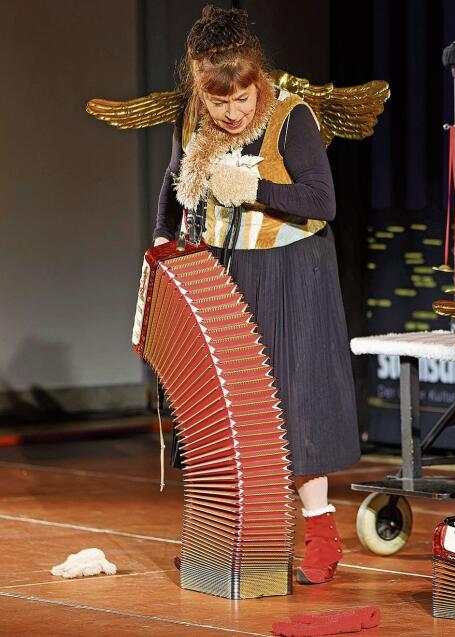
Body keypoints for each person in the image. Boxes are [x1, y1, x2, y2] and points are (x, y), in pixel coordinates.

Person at [153, 5, 360, 585]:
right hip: (224, 268)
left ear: (257, 80)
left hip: (293, 269)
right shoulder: (194, 117)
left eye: (241, 100)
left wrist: (257, 188)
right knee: (227, 403)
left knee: (296, 401)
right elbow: (172, 189)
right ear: (200, 85)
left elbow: (324, 202)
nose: (232, 112)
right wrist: (162, 246)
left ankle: (319, 531)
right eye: (219, 102)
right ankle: (230, 536)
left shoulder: (292, 117)